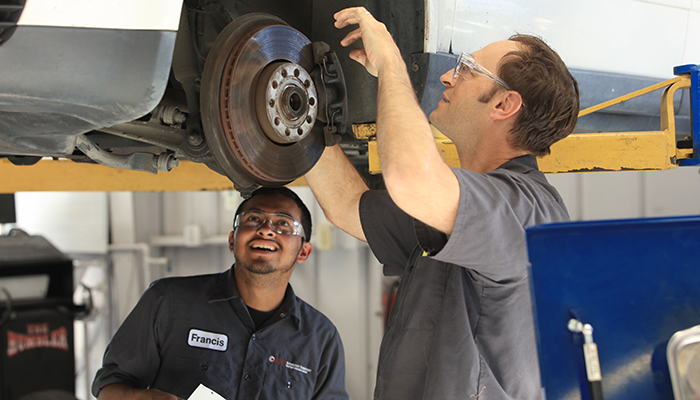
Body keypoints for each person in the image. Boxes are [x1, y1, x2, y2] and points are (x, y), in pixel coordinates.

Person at [305, 7, 579, 400]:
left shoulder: (524, 212)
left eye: (468, 68)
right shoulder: (455, 206)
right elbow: (347, 204)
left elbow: (409, 177)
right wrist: (298, 111)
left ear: (504, 104)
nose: (448, 76)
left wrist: (392, 65)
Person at [92, 187, 349, 400]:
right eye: (252, 219)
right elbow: (109, 388)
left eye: (284, 224)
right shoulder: (168, 302)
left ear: (303, 252)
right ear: (231, 240)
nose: (266, 229)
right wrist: (141, 399)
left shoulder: (321, 338)